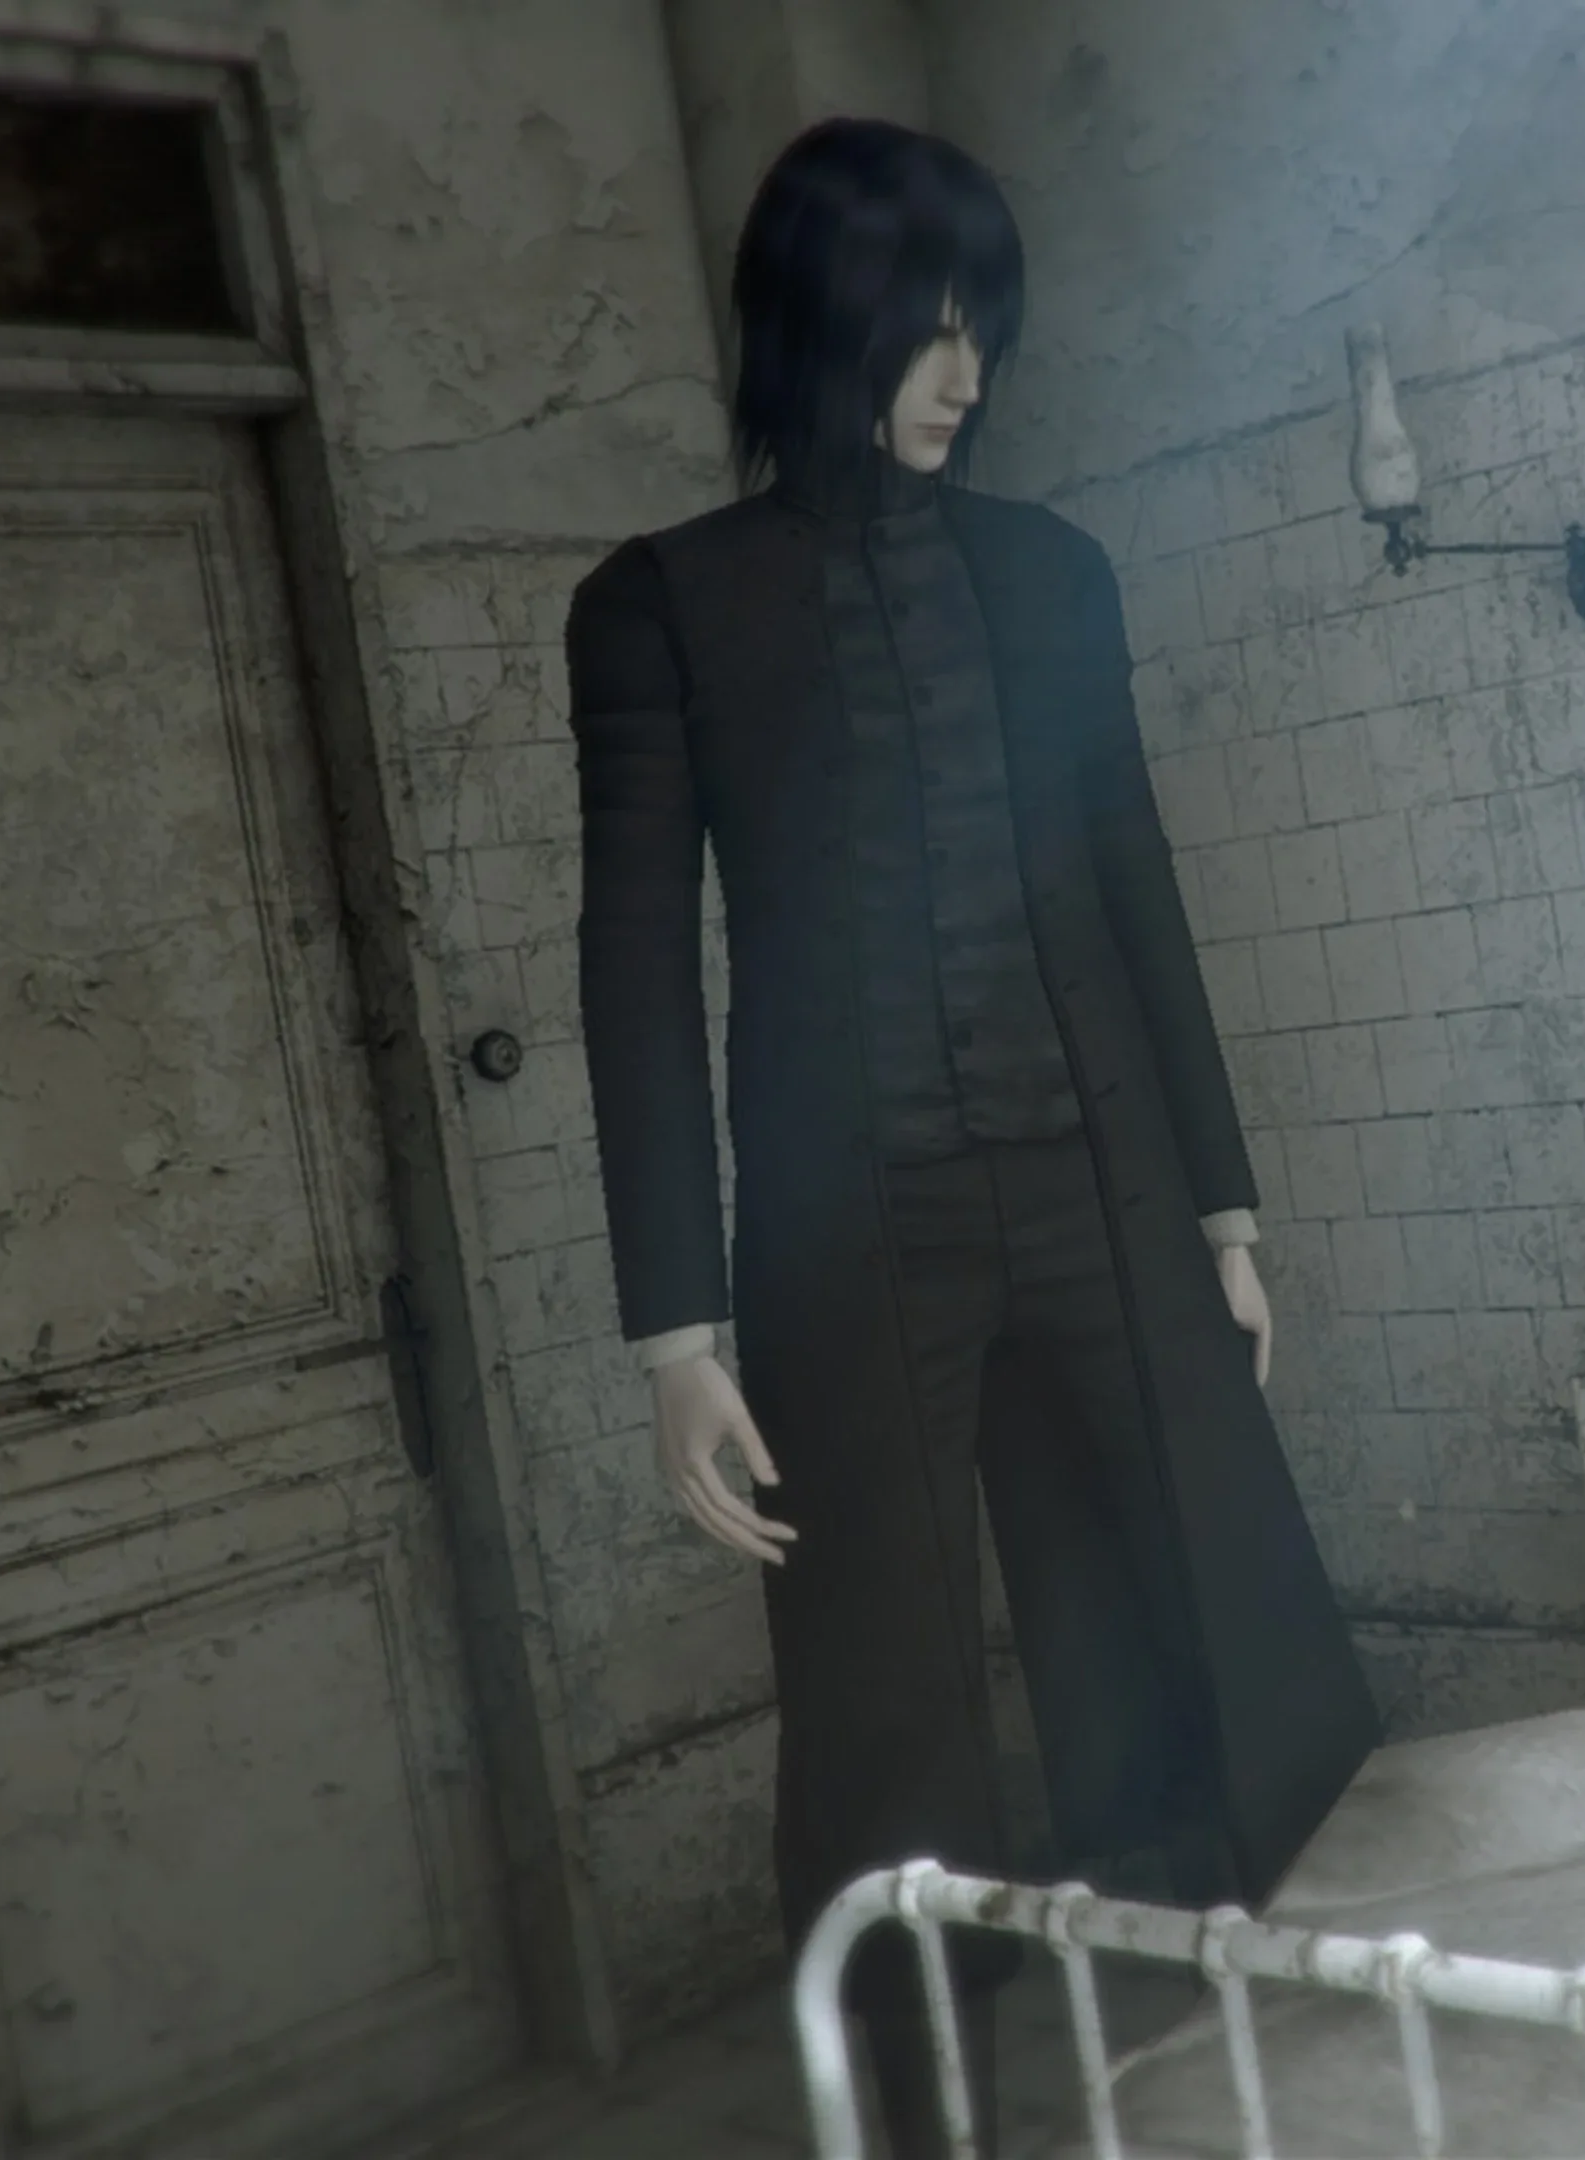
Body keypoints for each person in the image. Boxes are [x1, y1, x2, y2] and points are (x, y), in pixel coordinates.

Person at [566, 118, 1376, 2156]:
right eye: (925, 332)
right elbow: (634, 968)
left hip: (1107, 1192)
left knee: (1240, 1633)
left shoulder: (1052, 573)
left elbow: (1135, 884)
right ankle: (918, 2135)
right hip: (848, 1247)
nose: (965, 373)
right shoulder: (662, 608)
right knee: (882, 1725)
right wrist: (675, 1334)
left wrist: (1224, 1208)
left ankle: (1332, 2080)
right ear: (818, 328)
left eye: (980, 331)